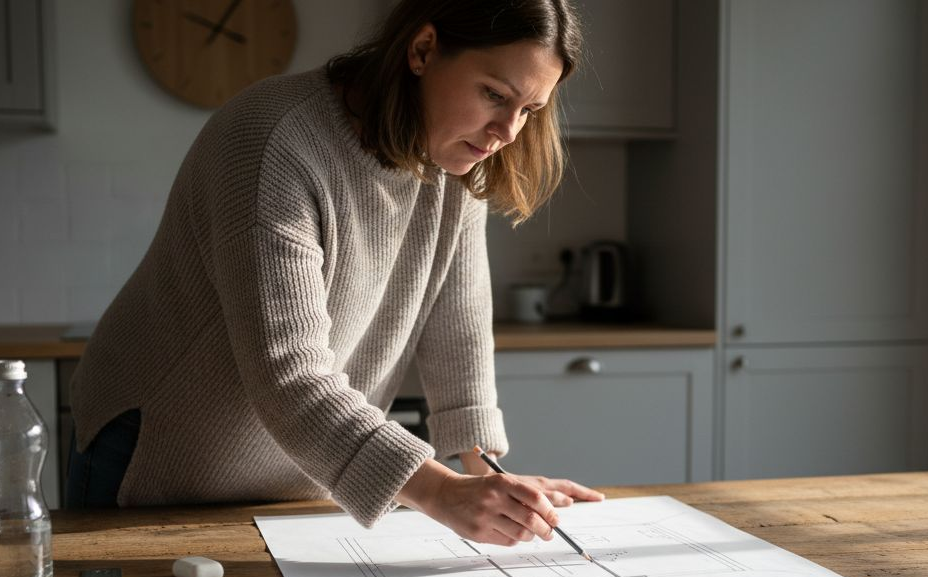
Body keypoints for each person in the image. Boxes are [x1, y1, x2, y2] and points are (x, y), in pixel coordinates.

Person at [66, 0, 604, 546]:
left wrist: (485, 470)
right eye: (494, 94)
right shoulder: (272, 140)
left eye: (531, 110)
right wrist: (440, 492)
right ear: (422, 50)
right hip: (157, 450)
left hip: (300, 464)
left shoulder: (453, 155)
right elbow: (291, 375)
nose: (508, 131)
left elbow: (458, 326)